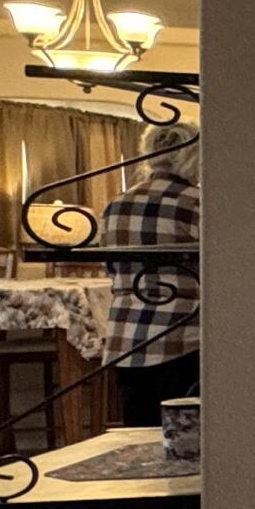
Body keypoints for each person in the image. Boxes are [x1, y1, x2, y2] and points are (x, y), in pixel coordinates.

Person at [99, 139, 199, 428]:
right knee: (185, 436)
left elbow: (111, 267)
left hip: (126, 336)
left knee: (138, 430)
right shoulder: (195, 202)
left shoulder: (116, 205)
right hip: (182, 335)